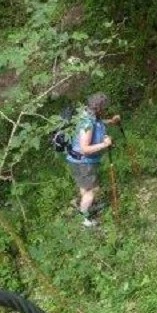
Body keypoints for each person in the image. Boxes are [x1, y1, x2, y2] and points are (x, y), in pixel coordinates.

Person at [66, 93, 120, 227]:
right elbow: (85, 148)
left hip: (77, 161)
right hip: (83, 162)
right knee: (92, 191)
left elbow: (99, 123)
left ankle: (85, 207)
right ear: (99, 108)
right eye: (105, 107)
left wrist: (111, 121)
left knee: (85, 188)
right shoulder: (87, 123)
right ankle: (84, 218)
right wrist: (105, 144)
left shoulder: (89, 115)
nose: (106, 110)